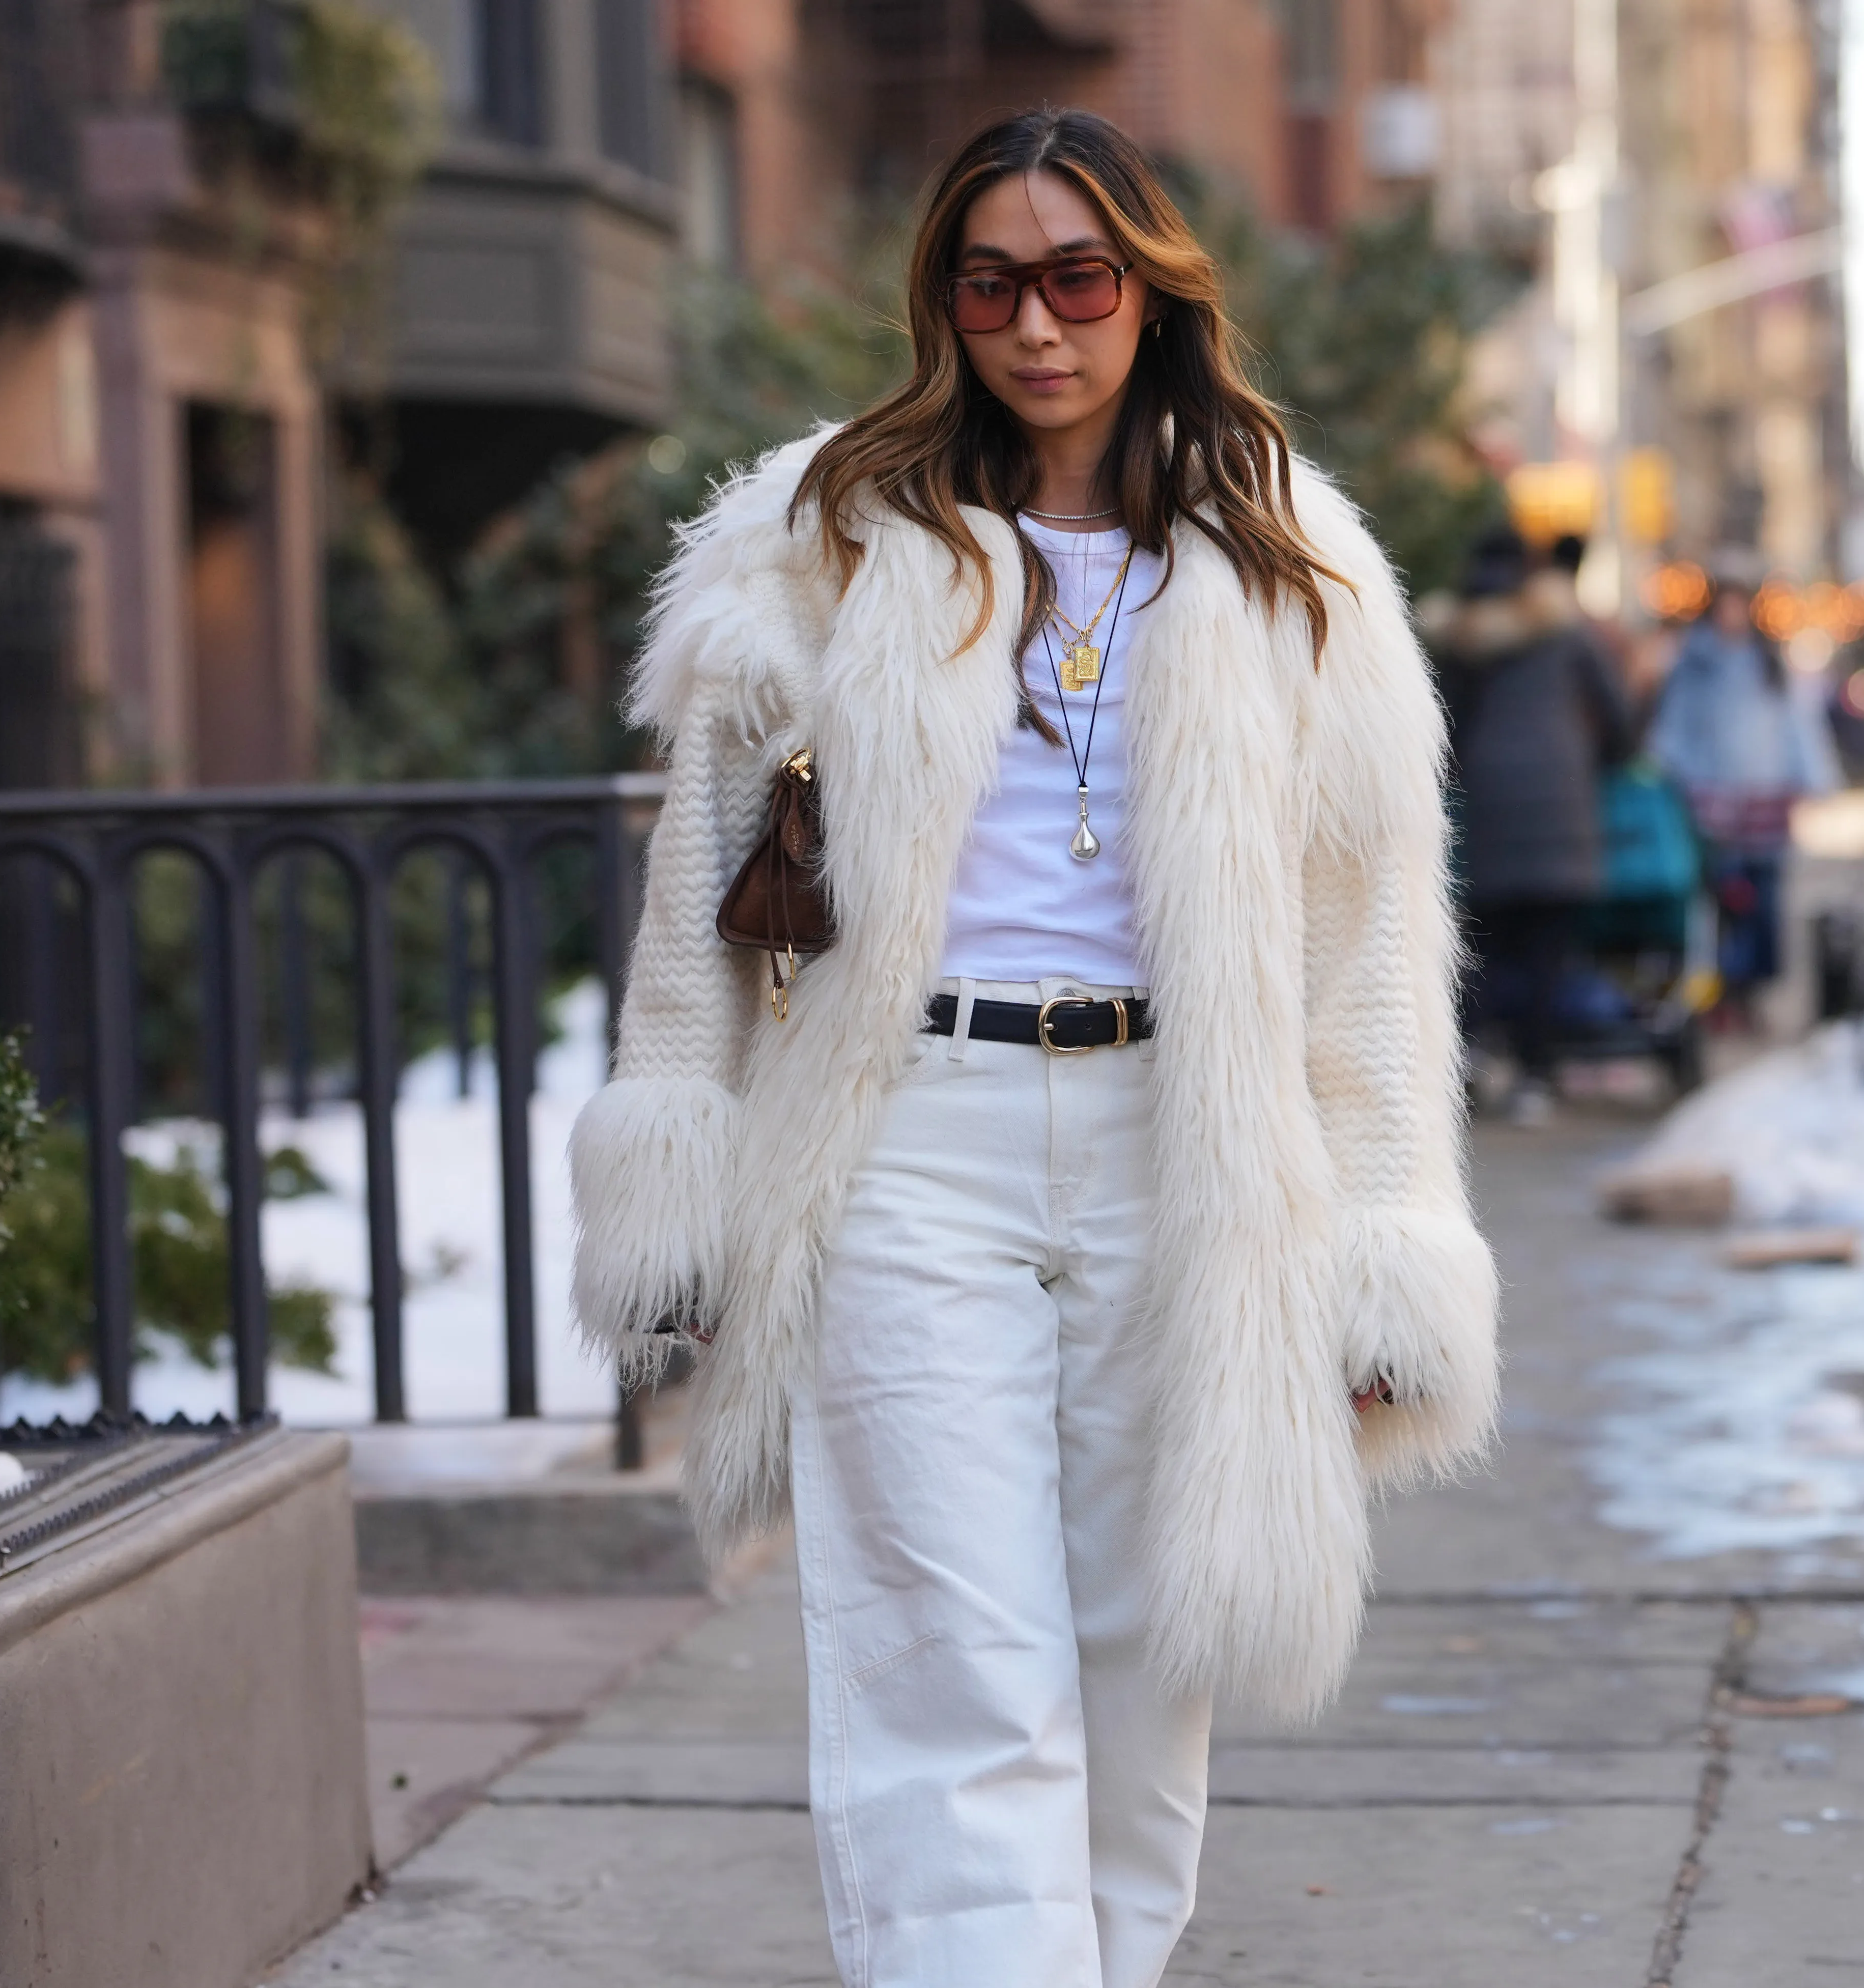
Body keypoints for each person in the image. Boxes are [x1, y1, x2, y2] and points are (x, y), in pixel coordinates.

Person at [567, 108, 1496, 1988]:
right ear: (945, 301)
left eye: (1078, 278)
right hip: (913, 1132)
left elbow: (1368, 955)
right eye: (989, 281)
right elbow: (701, 890)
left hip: (1191, 1149)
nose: (1036, 324)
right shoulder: (822, 534)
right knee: (948, 1652)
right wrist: (679, 1171)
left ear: (1153, 295)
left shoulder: (1291, 562)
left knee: (1144, 1654)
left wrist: (1385, 1257)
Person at [1443, 526, 1635, 1123]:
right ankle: (1534, 1073)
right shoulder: (1565, 630)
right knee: (1549, 951)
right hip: (1562, 803)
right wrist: (1609, 760)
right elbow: (1616, 714)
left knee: (1485, 944)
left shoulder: (1459, 638)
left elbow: (1442, 727)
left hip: (1491, 807)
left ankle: (1475, 1054)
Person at [1645, 556, 1838, 1021]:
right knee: (1725, 904)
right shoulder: (1693, 664)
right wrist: (1687, 782)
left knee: (1767, 902)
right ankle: (1729, 989)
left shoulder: (1769, 662)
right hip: (1713, 809)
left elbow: (1796, 725)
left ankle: (1757, 987)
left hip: (1766, 805)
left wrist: (1815, 779)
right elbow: (1672, 734)